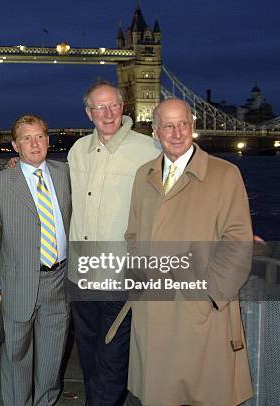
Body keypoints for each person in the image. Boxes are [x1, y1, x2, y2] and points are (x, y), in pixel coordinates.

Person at [112, 98, 253, 405]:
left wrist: (210, 295)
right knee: (159, 395)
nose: (177, 133)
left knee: (205, 394)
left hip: (200, 310)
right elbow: (132, 233)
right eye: (168, 126)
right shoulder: (143, 175)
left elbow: (238, 240)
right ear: (155, 131)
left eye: (183, 124)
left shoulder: (225, 174)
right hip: (154, 307)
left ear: (193, 126)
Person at [66, 80, 160, 405]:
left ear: (123, 107)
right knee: (90, 357)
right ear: (88, 113)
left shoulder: (149, 149)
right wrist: (17, 168)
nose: (108, 113)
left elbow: (181, 196)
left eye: (114, 105)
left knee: (112, 359)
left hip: (120, 275)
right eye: (99, 107)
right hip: (81, 275)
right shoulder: (77, 151)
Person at [0, 114, 72, 406]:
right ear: (15, 146)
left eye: (40, 137)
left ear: (48, 140)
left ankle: (46, 402)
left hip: (60, 280)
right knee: (17, 354)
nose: (35, 144)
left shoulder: (66, 174)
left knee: (53, 357)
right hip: (17, 281)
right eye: (27, 139)